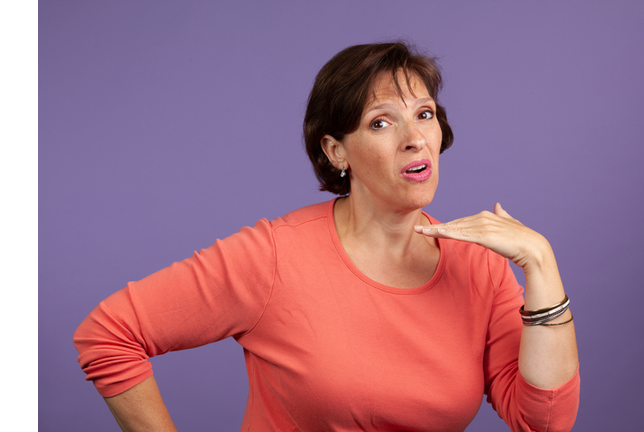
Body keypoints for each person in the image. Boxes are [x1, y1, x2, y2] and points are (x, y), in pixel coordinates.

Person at [74, 41, 580, 432]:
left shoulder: (480, 267)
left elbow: (542, 421)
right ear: (337, 152)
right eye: (382, 122)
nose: (414, 138)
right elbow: (109, 334)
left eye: (424, 114)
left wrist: (541, 263)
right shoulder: (274, 256)